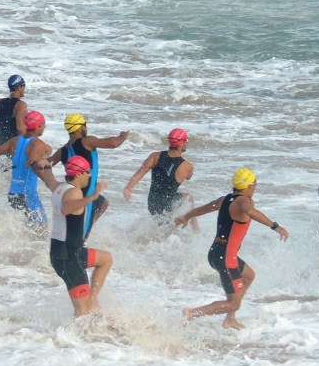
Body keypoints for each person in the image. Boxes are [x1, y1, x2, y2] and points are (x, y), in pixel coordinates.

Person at [175, 168, 289, 330]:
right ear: (247, 186)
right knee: (233, 303)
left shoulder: (225, 199)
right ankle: (192, 313)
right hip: (226, 258)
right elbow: (251, 212)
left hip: (216, 252)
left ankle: (230, 319)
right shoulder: (244, 202)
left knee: (249, 276)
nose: (255, 188)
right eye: (254, 185)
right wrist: (275, 226)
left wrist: (186, 217)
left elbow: (203, 209)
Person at [48, 155, 113, 317]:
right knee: (82, 312)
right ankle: (76, 333)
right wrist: (92, 197)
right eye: (87, 172)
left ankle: (93, 300)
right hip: (68, 258)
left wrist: (41, 164)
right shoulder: (74, 192)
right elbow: (66, 208)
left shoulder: (59, 187)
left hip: (69, 251)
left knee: (105, 259)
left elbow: (47, 179)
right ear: (78, 174)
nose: (90, 175)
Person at [56, 113, 130, 239]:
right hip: (86, 197)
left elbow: (46, 164)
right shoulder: (86, 141)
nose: (86, 128)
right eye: (85, 125)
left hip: (72, 193)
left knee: (103, 203)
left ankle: (84, 226)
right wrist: (122, 137)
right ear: (79, 128)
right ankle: (83, 231)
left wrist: (34, 162)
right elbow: (112, 143)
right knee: (81, 237)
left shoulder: (63, 150)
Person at [0, 110, 52, 229]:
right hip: (27, 194)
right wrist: (49, 181)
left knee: (30, 226)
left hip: (13, 194)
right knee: (42, 227)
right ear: (37, 126)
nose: (45, 127)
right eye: (43, 124)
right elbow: (31, 163)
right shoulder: (38, 144)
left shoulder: (15, 141)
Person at [123, 128, 198, 228]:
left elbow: (141, 171)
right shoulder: (187, 166)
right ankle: (196, 231)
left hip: (152, 203)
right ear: (181, 144)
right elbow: (189, 177)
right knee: (189, 199)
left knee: (161, 227)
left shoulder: (155, 156)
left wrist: (129, 188)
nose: (187, 143)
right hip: (168, 204)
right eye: (186, 141)